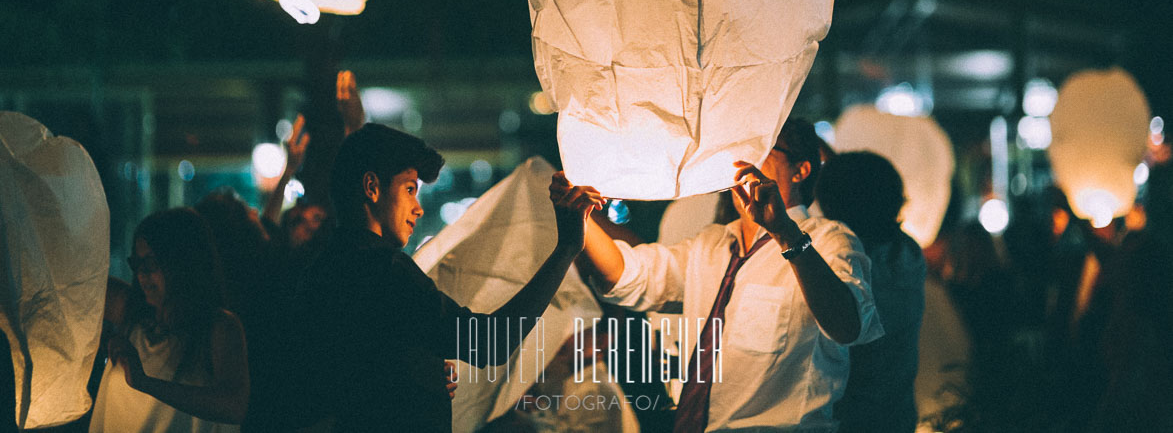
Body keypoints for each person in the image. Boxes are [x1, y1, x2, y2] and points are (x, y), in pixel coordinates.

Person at [574, 118, 882, 432]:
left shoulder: (830, 240)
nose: (745, 159)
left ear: (800, 170)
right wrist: (580, 217)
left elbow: (849, 326)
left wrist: (786, 234)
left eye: (763, 148)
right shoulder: (712, 244)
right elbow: (630, 275)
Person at [292, 122, 603, 433]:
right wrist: (566, 249)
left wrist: (418, 371)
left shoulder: (322, 269)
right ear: (372, 187)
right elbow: (490, 342)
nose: (418, 209)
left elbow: (347, 373)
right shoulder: (383, 269)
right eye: (409, 189)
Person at [89, 208, 248, 433]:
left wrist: (145, 383)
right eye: (137, 262)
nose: (141, 274)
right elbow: (73, 285)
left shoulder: (219, 328)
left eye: (152, 262)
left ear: (183, 263)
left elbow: (234, 406)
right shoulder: (132, 312)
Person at [814, 151, 926, 433]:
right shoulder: (907, 254)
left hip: (850, 420)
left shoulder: (844, 264)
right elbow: (863, 190)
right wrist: (834, 165)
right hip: (896, 416)